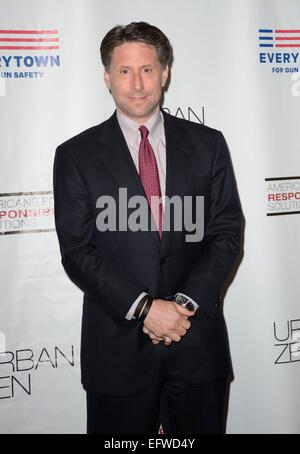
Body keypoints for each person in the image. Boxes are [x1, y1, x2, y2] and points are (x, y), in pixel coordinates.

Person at [53, 21, 243, 434]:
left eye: (147, 69)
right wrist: (145, 309)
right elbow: (78, 251)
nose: (137, 83)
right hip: (118, 354)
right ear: (107, 77)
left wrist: (183, 305)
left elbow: (227, 231)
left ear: (165, 72)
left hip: (196, 344)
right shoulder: (75, 156)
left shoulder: (209, 144)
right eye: (124, 71)